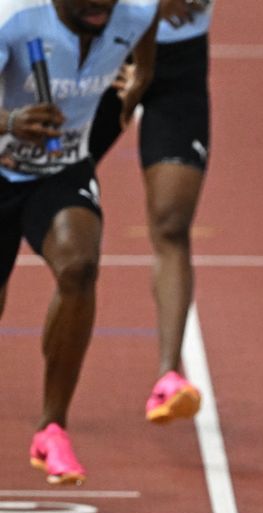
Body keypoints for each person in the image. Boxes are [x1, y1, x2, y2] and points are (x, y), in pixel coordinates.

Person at [1, 0, 159, 485]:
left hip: (60, 170)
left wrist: (141, 77)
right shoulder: (13, 20)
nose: (98, 9)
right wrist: (10, 123)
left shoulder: (133, 13)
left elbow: (152, 21)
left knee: (79, 267)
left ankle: (52, 428)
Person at [90, 0, 213, 424]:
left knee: (172, 222)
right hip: (103, 49)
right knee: (29, 193)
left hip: (179, 61)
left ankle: (168, 375)